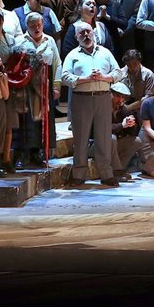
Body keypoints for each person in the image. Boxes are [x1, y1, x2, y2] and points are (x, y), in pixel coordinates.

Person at [59, 21, 124, 185]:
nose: (86, 35)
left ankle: (106, 173)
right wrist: (85, 79)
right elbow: (65, 76)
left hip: (103, 97)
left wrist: (104, 77)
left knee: (104, 137)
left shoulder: (105, 52)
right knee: (81, 138)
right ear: (76, 37)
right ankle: (79, 174)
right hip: (81, 98)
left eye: (88, 31)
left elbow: (118, 72)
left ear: (93, 33)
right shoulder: (73, 55)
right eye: (82, 33)